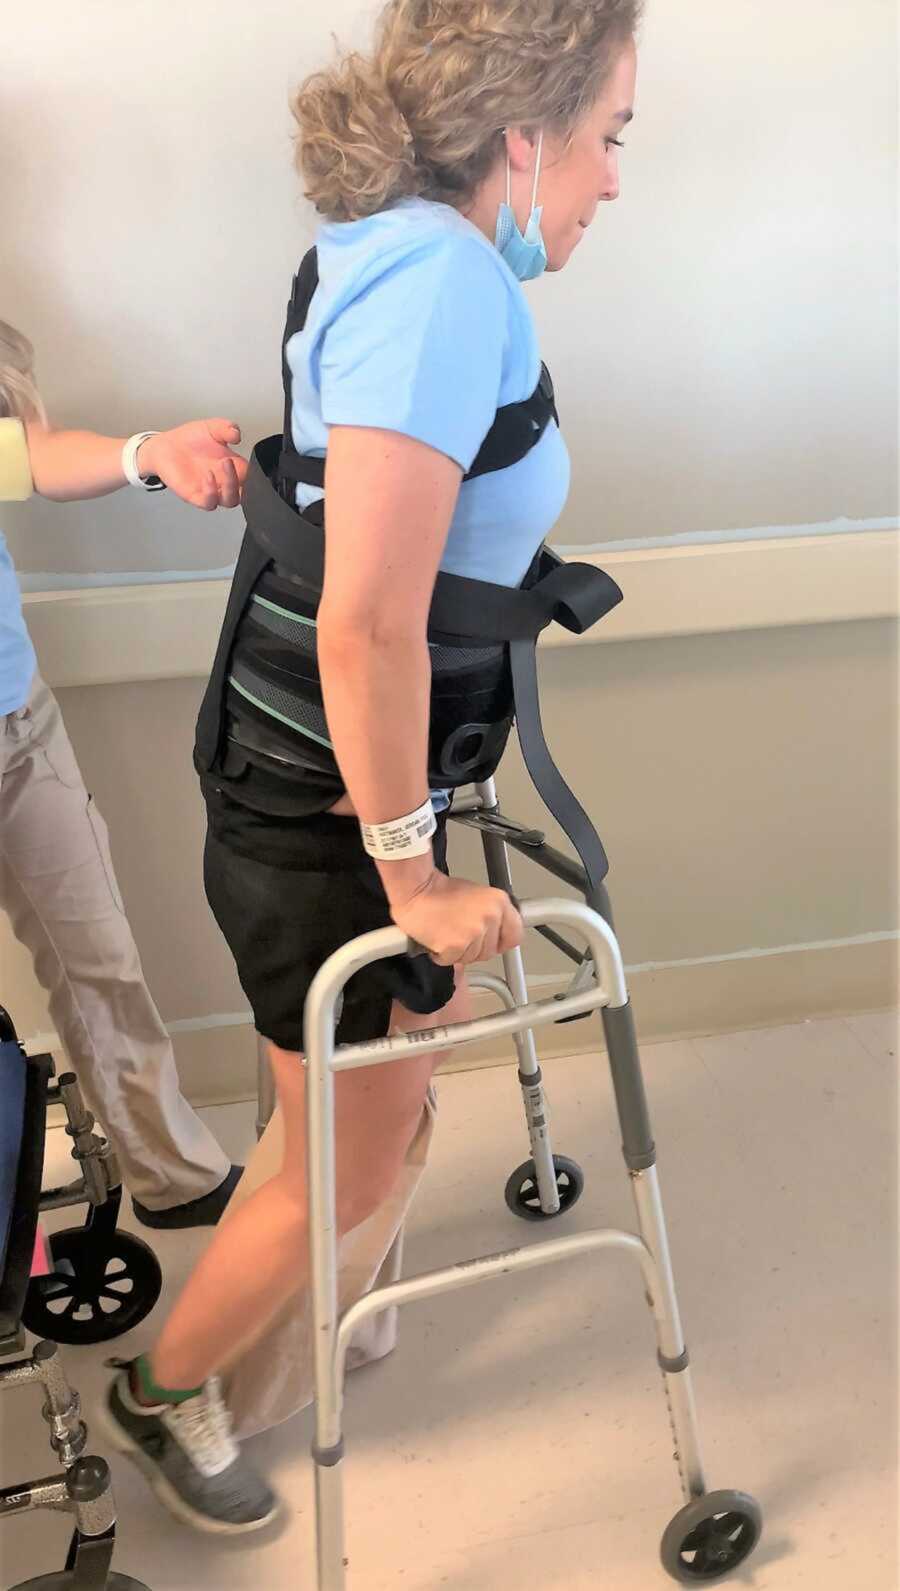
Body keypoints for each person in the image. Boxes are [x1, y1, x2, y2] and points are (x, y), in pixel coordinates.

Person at [103, 0, 640, 1535]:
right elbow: (366, 623)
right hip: (321, 796)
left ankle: (332, 1288)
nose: (613, 180)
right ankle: (169, 1392)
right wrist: (412, 874)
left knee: (352, 1106)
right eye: (609, 139)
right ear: (525, 135)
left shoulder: (395, 243)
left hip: (313, 776)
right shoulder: (444, 289)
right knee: (341, 1152)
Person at [0, 319, 248, 1226]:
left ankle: (173, 1178)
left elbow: (28, 453)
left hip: (17, 723)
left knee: (97, 957)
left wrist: (150, 453)